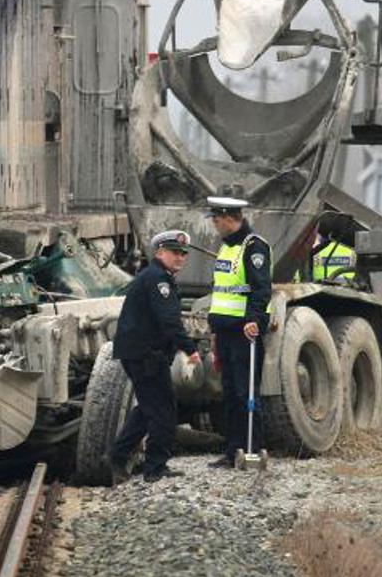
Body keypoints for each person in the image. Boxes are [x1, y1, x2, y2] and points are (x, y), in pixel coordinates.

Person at [108, 230, 203, 484]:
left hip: (141, 353)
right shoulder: (158, 279)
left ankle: (117, 455)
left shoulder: (156, 277)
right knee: (163, 411)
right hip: (146, 355)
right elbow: (169, 321)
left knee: (148, 408)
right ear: (159, 252)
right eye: (175, 252)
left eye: (183, 254)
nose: (180, 258)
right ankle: (154, 468)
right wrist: (190, 348)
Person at [206, 192, 272, 466]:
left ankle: (251, 447)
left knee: (246, 392)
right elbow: (221, 291)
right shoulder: (227, 247)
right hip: (224, 330)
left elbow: (261, 288)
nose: (213, 225)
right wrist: (213, 329)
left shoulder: (253, 247)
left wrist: (254, 320)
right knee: (230, 391)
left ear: (228, 219)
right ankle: (233, 449)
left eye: (216, 220)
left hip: (244, 332)